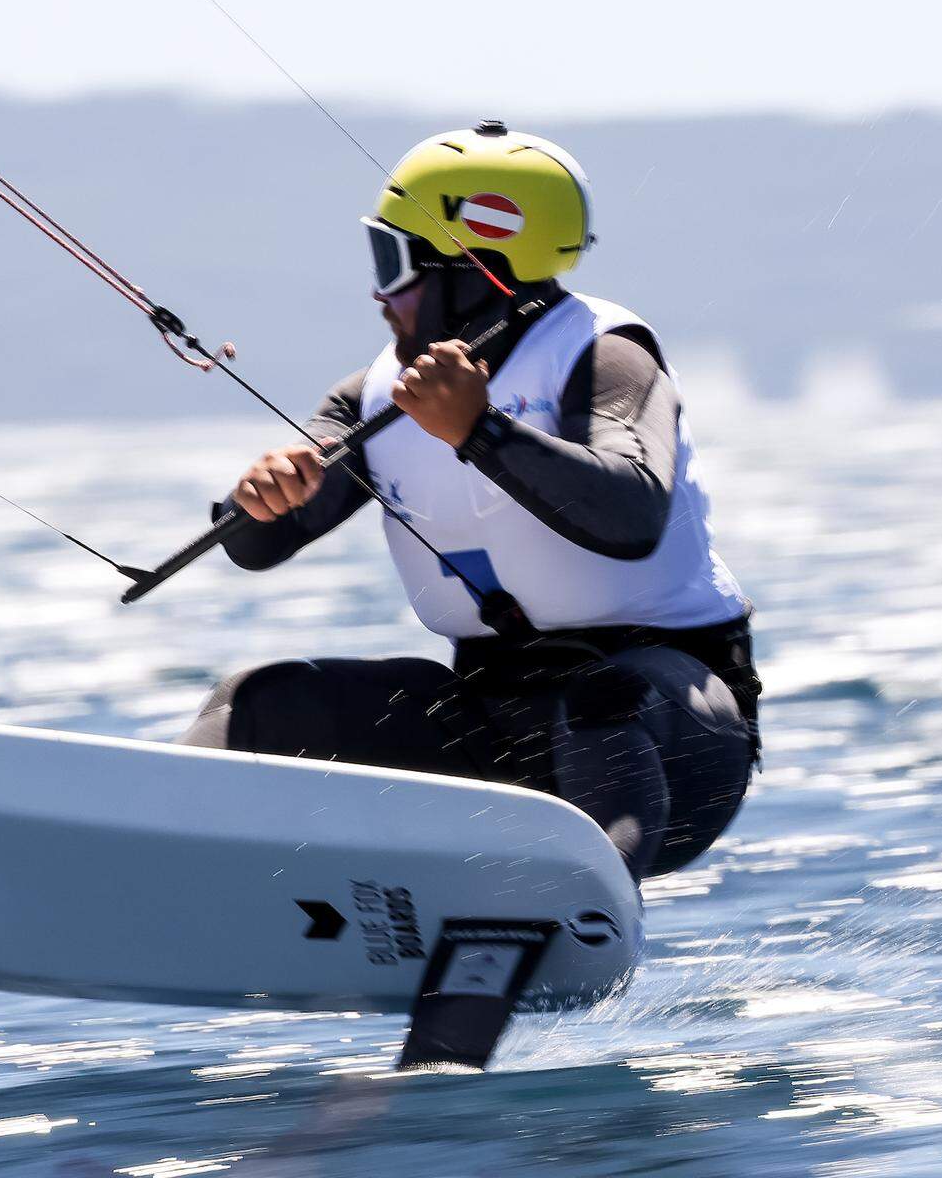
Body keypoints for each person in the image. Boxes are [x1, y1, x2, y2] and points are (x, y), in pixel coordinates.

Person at [178, 121, 760, 882]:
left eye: (394, 263)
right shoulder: (369, 394)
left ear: (477, 270)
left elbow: (631, 516)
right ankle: (170, 865)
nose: (379, 295)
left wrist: (479, 432)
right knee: (256, 702)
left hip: (670, 737)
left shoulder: (607, 355)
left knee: (605, 698)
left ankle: (579, 898)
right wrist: (258, 500)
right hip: (496, 731)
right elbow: (258, 547)